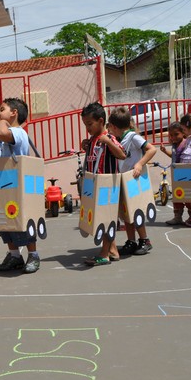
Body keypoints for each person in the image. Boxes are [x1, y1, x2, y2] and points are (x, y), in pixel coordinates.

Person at [0, 98, 41, 274]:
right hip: (2, 187)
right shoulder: (1, 137)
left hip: (16, 186)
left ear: (14, 113)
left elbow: (3, 133)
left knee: (23, 222)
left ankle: (33, 254)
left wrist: (2, 123)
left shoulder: (18, 132)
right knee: (5, 222)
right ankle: (14, 255)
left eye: (2, 109)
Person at [79, 102, 126, 266]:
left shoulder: (109, 138)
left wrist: (108, 142)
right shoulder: (92, 140)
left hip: (108, 188)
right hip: (94, 187)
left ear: (100, 121)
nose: (88, 128)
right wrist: (85, 146)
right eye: (85, 125)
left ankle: (104, 254)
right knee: (102, 219)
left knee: (106, 220)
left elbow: (122, 155)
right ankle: (113, 250)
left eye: (90, 124)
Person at [107, 107, 156, 256]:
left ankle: (144, 240)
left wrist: (140, 164)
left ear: (114, 127)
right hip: (123, 179)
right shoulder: (117, 139)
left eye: (109, 127)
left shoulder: (133, 137)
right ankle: (131, 241)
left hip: (133, 179)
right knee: (126, 212)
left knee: (136, 211)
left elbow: (152, 149)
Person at [159, 122, 191, 225]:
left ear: (183, 133)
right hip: (176, 173)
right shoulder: (174, 145)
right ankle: (177, 216)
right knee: (177, 195)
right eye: (171, 135)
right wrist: (165, 151)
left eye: (176, 134)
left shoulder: (186, 143)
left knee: (187, 195)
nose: (173, 137)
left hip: (185, 173)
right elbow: (174, 156)